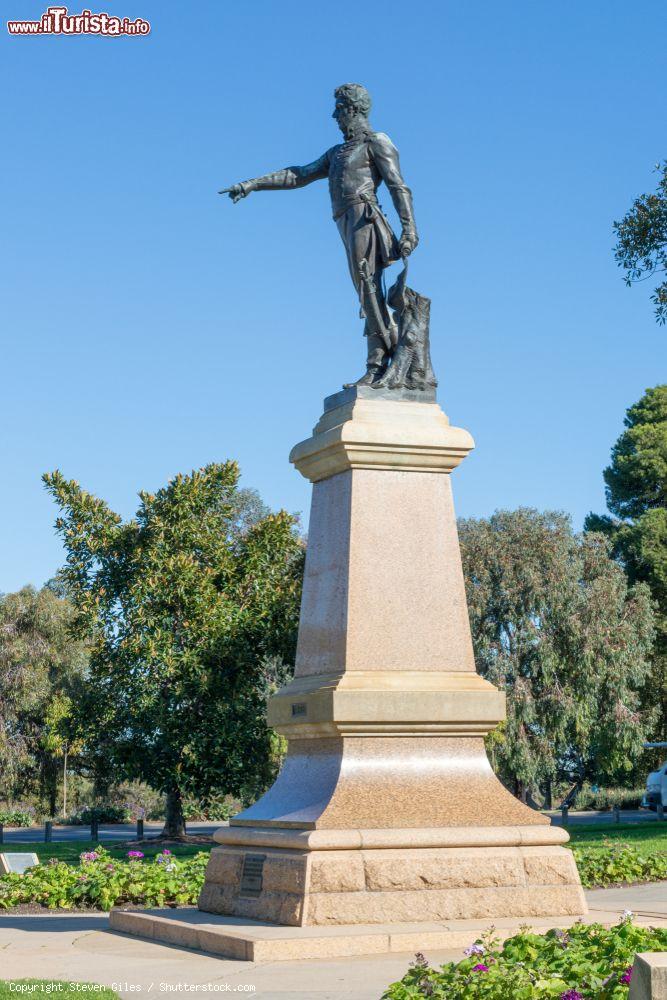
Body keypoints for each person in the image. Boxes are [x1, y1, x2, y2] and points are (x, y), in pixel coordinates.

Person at [221, 83, 419, 385]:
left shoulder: (376, 142)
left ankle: (379, 364)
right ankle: (385, 358)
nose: (334, 116)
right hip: (345, 221)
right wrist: (252, 184)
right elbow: (298, 174)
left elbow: (397, 185)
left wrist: (409, 229)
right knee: (364, 289)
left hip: (364, 217)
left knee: (368, 287)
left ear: (352, 110)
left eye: (339, 110)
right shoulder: (337, 152)